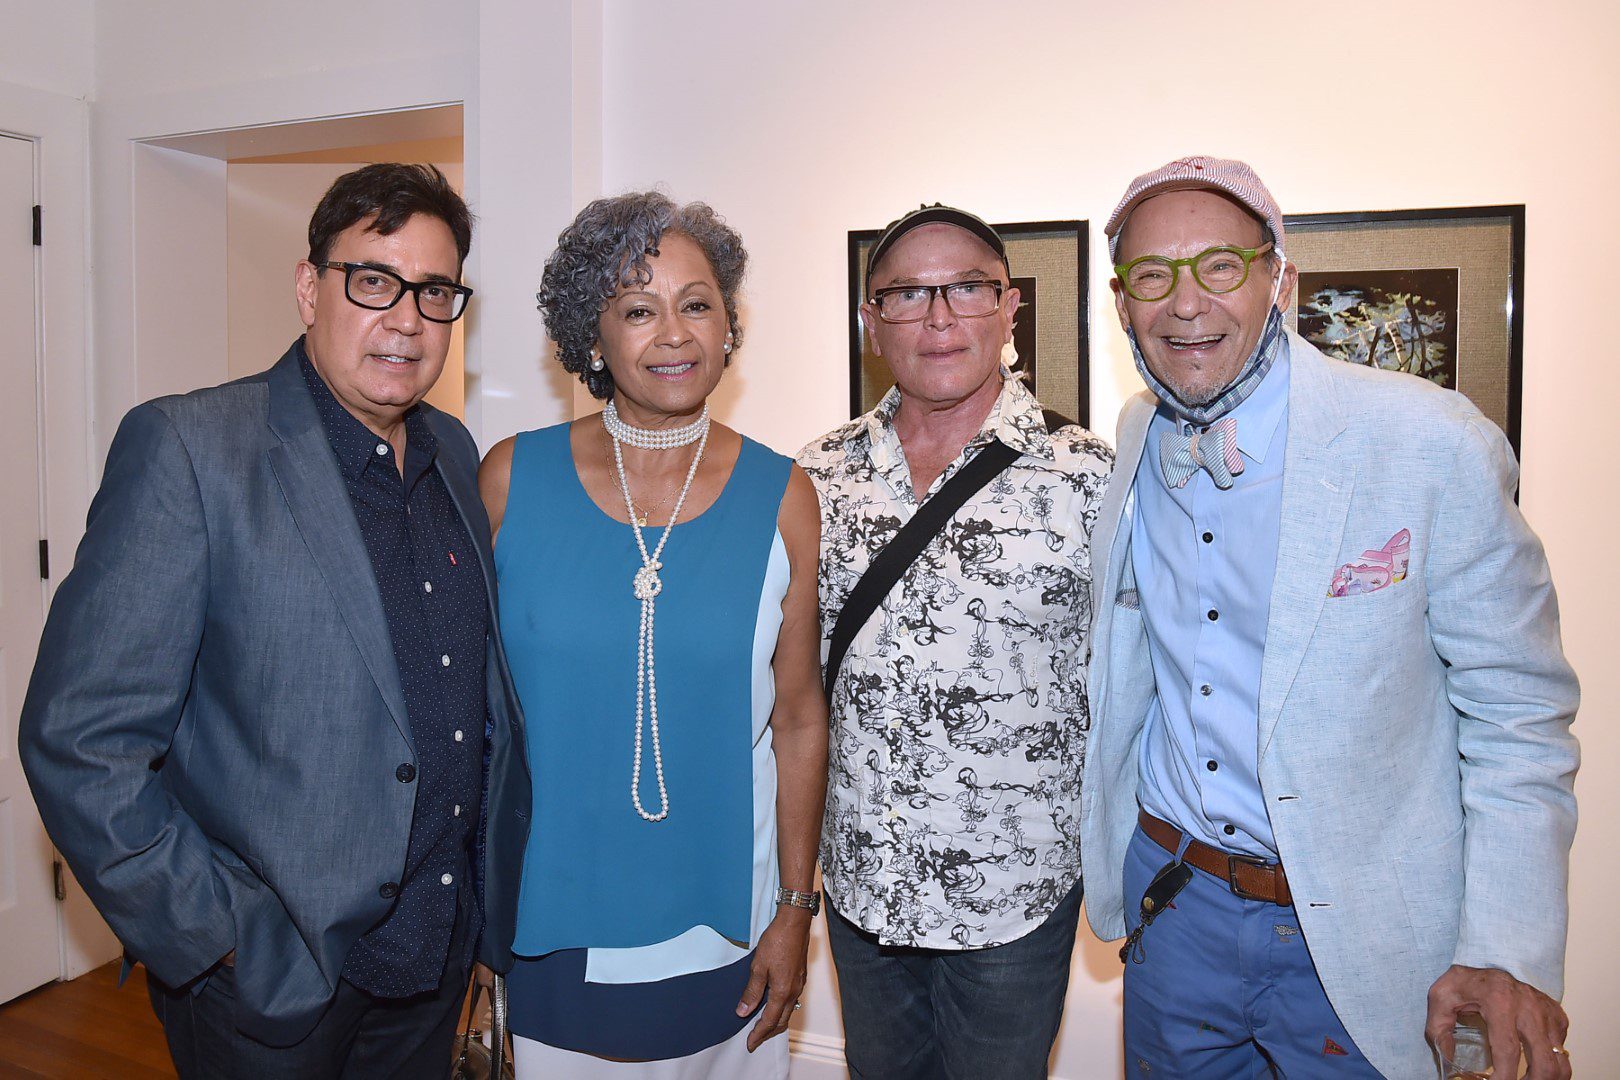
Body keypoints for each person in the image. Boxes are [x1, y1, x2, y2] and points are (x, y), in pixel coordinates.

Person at [17, 163, 530, 1076]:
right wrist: (213, 939)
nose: (406, 318)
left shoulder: (453, 451)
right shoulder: (190, 449)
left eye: (436, 291)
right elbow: (79, 738)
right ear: (309, 285)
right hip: (272, 981)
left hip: (430, 962)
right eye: (373, 281)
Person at [1081, 155, 1579, 1079]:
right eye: (1153, 275)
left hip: (1363, 938)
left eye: (1220, 265)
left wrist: (1506, 947)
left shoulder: (1429, 444)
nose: (1186, 303)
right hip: (1174, 910)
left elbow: (1520, 720)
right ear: (1122, 305)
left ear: (1282, 278)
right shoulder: (1136, 438)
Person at [477, 191, 827, 1078]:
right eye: (638, 308)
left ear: (728, 326)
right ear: (591, 337)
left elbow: (797, 719)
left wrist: (795, 907)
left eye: (696, 304)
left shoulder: (784, 497)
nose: (673, 333)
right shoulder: (512, 480)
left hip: (726, 919)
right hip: (549, 915)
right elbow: (465, 720)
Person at [797, 204, 1114, 1079]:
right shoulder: (815, 475)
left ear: (1009, 307)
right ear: (871, 322)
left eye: (967, 288)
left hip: (1016, 890)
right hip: (863, 881)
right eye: (907, 294)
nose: (939, 318)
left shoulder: (1091, 477)